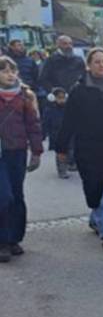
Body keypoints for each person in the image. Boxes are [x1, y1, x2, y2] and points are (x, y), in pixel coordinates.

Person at [56, 47, 103, 251]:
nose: (101, 65)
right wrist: (62, 147)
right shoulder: (79, 90)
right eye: (97, 62)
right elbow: (69, 121)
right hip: (88, 147)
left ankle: (96, 218)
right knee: (95, 186)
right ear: (88, 65)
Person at [0, 56, 43, 262]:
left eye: (13, 70)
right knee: (4, 196)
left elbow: (33, 125)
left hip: (16, 151)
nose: (10, 74)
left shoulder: (25, 96)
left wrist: (36, 151)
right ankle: (2, 240)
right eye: (4, 71)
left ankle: (14, 238)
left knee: (17, 195)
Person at [42, 87, 71, 179]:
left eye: (63, 97)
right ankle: (62, 170)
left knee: (71, 150)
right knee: (61, 153)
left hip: (69, 133)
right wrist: (42, 135)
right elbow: (45, 123)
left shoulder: (70, 108)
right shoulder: (49, 110)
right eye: (59, 98)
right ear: (53, 98)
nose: (62, 100)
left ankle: (71, 163)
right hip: (56, 134)